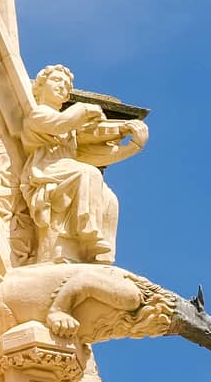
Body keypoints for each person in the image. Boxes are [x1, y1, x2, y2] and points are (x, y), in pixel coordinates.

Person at [18, 64, 147, 264]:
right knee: (88, 173)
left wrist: (132, 144)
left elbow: (94, 155)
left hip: (66, 169)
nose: (62, 86)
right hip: (46, 170)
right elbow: (59, 124)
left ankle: (98, 252)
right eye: (56, 81)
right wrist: (84, 108)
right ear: (40, 86)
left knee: (109, 198)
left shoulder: (71, 130)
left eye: (66, 85)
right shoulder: (38, 115)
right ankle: (87, 231)